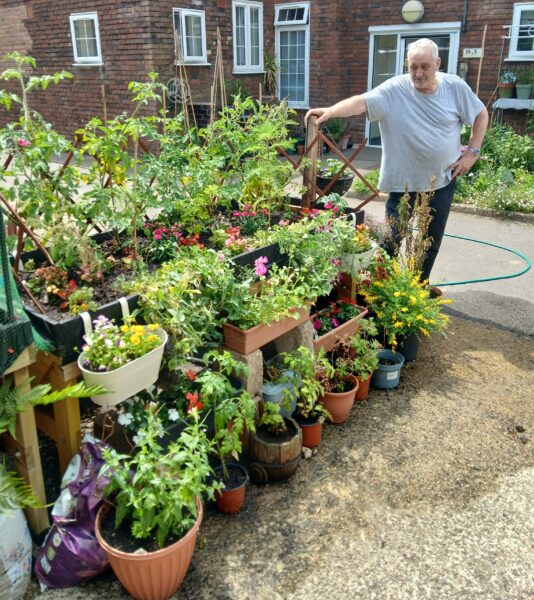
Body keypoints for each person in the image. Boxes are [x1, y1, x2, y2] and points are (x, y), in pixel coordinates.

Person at [305, 38, 489, 292]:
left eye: (425, 66)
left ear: (438, 64)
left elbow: (480, 114)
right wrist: (331, 111)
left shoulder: (455, 88)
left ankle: (418, 289)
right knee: (392, 240)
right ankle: (382, 291)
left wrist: (472, 153)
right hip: (403, 183)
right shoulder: (394, 90)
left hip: (442, 180)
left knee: (429, 241)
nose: (419, 73)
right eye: (413, 67)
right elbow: (362, 101)